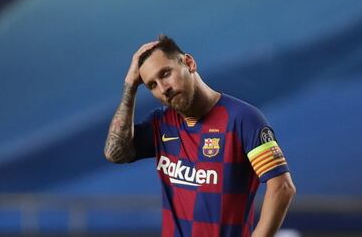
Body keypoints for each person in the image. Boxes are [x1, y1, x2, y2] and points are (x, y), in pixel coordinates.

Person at [104, 35, 296, 237]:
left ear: (189, 63)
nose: (163, 89)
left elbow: (282, 188)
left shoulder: (243, 119)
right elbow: (114, 153)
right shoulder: (161, 124)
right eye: (152, 85)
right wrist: (130, 86)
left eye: (166, 73)